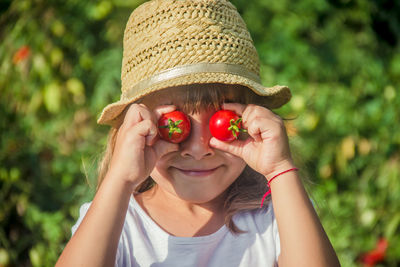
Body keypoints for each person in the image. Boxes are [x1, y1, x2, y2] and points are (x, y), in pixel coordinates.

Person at [56, 0, 340, 266]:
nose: (199, 148)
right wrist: (119, 179)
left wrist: (280, 169)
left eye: (222, 118)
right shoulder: (118, 222)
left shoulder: (277, 214)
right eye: (173, 126)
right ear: (135, 130)